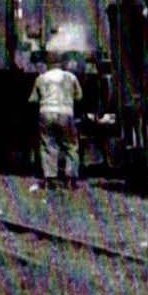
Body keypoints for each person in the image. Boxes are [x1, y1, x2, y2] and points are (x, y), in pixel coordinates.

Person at [29, 50, 83, 190]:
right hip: (66, 114)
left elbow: (33, 99)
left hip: (46, 114)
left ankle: (50, 178)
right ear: (61, 64)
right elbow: (79, 96)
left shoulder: (41, 78)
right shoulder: (71, 77)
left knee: (48, 145)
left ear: (48, 64)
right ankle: (70, 178)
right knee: (70, 145)